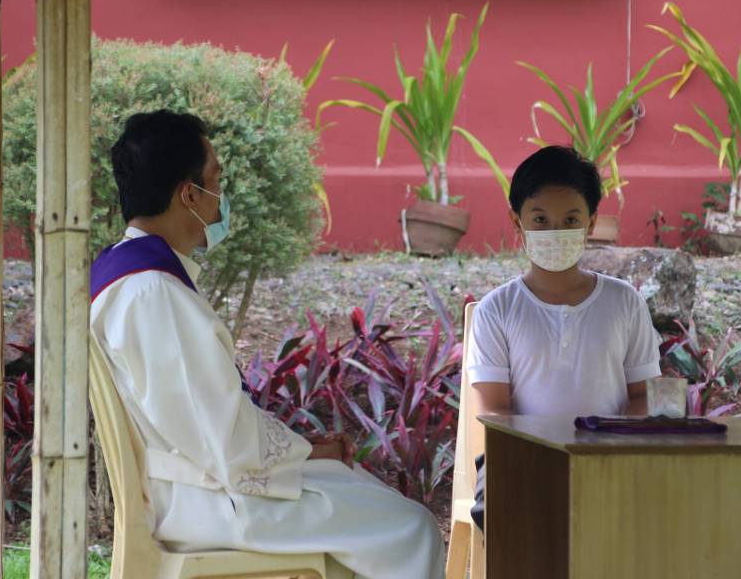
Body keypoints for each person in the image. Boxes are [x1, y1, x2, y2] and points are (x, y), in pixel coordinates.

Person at [88, 109, 444, 579]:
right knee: (411, 526)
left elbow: (205, 421)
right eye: (216, 180)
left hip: (198, 483)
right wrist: (308, 452)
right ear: (189, 194)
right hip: (208, 502)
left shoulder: (125, 272)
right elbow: (222, 442)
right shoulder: (153, 293)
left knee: (361, 492)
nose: (220, 198)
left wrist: (305, 450)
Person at [467, 145, 662, 532]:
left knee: (655, 509)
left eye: (570, 218)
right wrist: (548, 459)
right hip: (520, 458)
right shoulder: (496, 310)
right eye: (540, 219)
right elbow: (496, 414)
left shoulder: (624, 302)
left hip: (610, 456)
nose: (555, 231)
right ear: (517, 221)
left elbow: (644, 396)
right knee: (512, 514)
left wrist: (609, 447)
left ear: (591, 223)